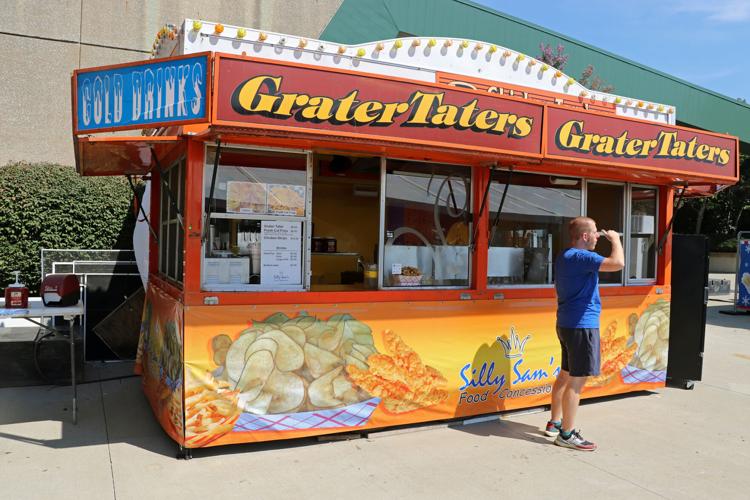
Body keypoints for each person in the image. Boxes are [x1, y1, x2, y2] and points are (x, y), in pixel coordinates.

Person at [544, 217, 624, 451]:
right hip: (582, 326)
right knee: (576, 382)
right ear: (585, 236)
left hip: (567, 323)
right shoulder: (582, 257)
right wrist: (616, 240)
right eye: (595, 233)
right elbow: (618, 263)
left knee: (565, 374)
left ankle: (555, 422)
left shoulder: (564, 256)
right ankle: (566, 434)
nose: (598, 237)